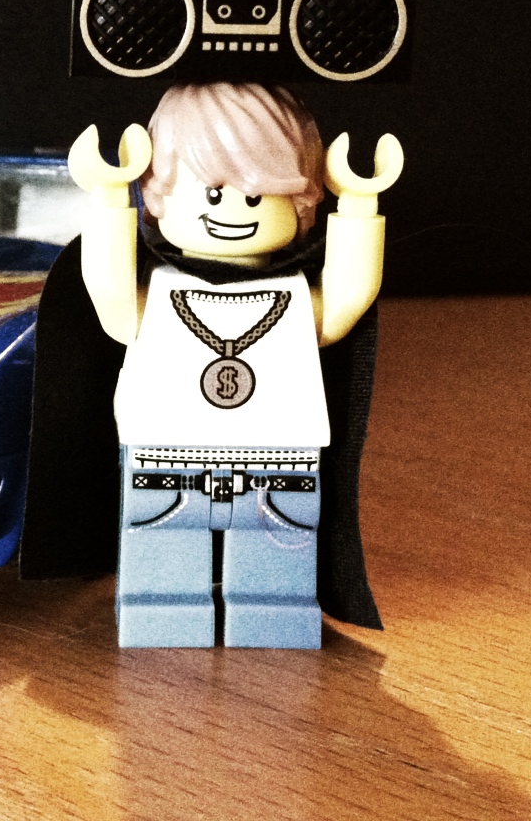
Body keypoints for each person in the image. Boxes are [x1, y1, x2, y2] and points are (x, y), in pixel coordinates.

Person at [64, 82, 402, 647]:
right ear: (158, 195)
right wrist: (107, 198)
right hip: (164, 458)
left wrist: (359, 204)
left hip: (281, 462)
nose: (231, 213)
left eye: (257, 196)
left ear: (303, 202)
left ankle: (274, 612)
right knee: (163, 564)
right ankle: (159, 611)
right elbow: (108, 292)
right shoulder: (157, 295)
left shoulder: (295, 299)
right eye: (213, 192)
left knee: (276, 569)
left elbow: (350, 297)